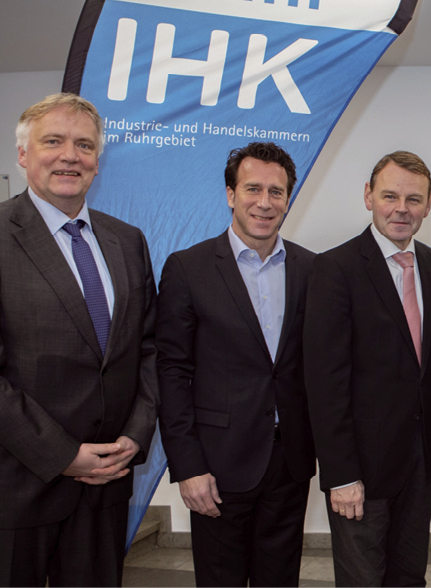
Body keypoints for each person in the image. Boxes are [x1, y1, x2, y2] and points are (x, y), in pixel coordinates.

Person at [0, 93, 158, 586]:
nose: (69, 156)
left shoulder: (127, 241)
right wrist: (65, 455)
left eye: (84, 145)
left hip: (102, 486)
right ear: (23, 154)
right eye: (53, 141)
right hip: (5, 489)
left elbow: (147, 350)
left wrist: (135, 436)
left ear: (98, 160)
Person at [156, 142, 315, 586]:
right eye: (252, 189)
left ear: (288, 199)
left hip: (289, 463)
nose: (265, 202)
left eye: (276, 191)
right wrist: (187, 466)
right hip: (217, 466)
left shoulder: (311, 269)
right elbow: (171, 372)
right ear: (230, 194)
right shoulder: (188, 268)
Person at [303, 151, 431, 586]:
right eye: (390, 196)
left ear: (428, 205)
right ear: (368, 196)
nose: (401, 209)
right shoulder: (335, 268)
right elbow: (324, 382)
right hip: (361, 471)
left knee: (410, 578)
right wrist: (340, 475)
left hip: (420, 465)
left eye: (413, 199)